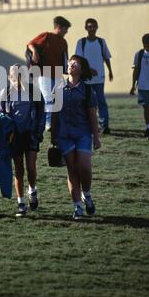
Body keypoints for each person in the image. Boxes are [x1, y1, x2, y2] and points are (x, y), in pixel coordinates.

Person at [54, 55, 101, 220]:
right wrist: (53, 135)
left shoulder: (87, 90)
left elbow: (92, 116)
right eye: (69, 63)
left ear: (82, 69)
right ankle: (77, 207)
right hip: (64, 136)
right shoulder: (59, 87)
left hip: (82, 134)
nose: (71, 65)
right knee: (72, 170)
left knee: (85, 168)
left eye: (75, 64)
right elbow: (54, 113)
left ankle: (86, 194)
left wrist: (96, 137)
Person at [0, 64, 45, 217]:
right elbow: (1, 116)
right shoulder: (6, 93)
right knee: (18, 169)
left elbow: (42, 112)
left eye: (19, 74)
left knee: (31, 168)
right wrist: (6, 134)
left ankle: (32, 190)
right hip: (15, 136)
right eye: (13, 74)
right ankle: (21, 203)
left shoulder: (34, 91)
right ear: (8, 76)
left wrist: (38, 131)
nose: (16, 77)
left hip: (31, 134)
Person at [27, 16, 71, 131]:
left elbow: (65, 57)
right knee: (47, 98)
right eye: (65, 29)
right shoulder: (46, 36)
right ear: (59, 27)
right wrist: (35, 52)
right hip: (44, 72)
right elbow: (30, 44)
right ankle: (48, 122)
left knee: (57, 99)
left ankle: (54, 121)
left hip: (57, 73)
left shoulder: (63, 42)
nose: (67, 32)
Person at [75, 18, 113, 134]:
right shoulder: (81, 42)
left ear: (97, 27)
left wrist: (110, 71)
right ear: (86, 28)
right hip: (86, 79)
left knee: (101, 101)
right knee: (86, 103)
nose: (91, 28)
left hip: (99, 78)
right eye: (89, 26)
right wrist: (88, 70)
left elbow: (106, 57)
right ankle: (87, 124)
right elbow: (78, 60)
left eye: (93, 26)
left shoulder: (101, 42)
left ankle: (104, 125)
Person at [130, 34, 149, 138]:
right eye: (145, 45)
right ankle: (148, 128)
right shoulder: (140, 54)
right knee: (146, 107)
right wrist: (133, 85)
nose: (147, 47)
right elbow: (136, 70)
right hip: (144, 86)